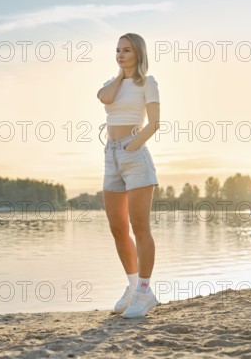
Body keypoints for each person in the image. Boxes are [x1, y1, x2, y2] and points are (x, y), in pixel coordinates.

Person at [96, 33, 161, 318]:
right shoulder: (113, 84)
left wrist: (132, 146)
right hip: (110, 156)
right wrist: (121, 75)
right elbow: (103, 97)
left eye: (127, 51)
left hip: (134, 157)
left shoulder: (148, 83)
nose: (120, 55)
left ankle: (145, 292)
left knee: (139, 225)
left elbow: (155, 122)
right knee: (117, 227)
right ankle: (133, 287)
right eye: (118, 50)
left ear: (138, 53)